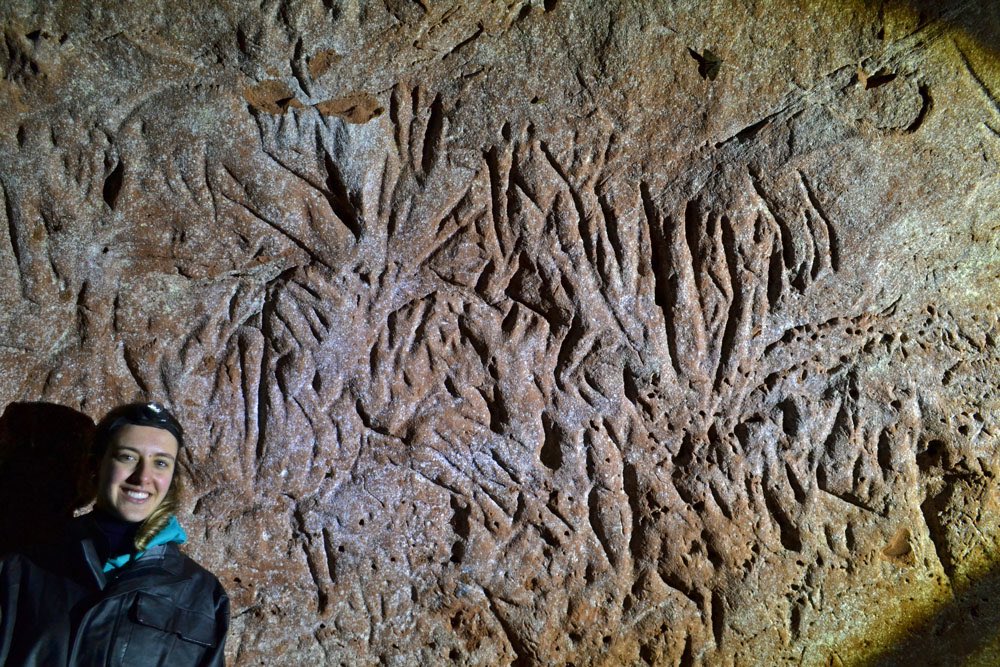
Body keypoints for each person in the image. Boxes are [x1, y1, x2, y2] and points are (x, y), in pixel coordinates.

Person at [0, 401, 229, 665]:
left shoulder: (203, 595)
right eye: (128, 457)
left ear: (172, 479)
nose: (143, 477)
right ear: (96, 464)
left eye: (161, 463)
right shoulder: (24, 570)